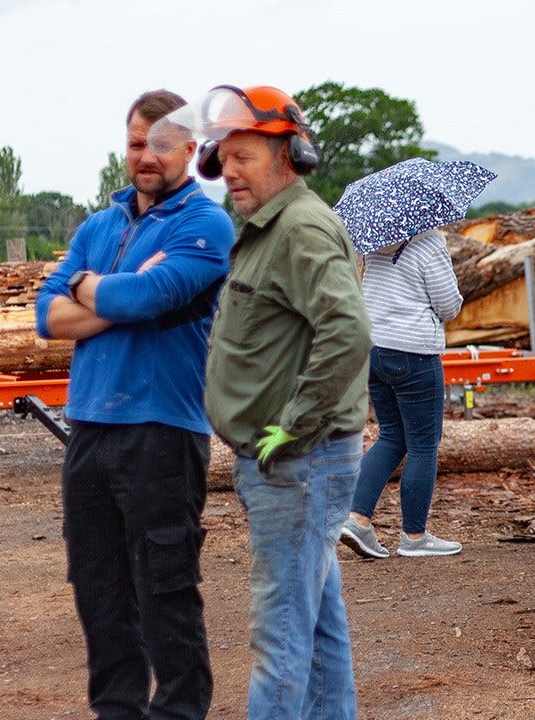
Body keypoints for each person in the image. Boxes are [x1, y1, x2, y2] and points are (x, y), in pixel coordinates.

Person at [36, 89, 233, 720]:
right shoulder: (100, 225)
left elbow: (148, 300)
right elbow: (46, 316)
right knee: (98, 589)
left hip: (162, 430)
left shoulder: (205, 224)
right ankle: (116, 710)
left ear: (191, 149)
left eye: (161, 144)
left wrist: (88, 287)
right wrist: (115, 298)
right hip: (89, 428)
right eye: (135, 142)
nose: (146, 156)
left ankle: (179, 711)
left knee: (165, 588)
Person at [197, 85, 372, 720]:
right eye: (225, 156)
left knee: (281, 636)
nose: (230, 170)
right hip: (293, 462)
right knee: (317, 626)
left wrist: (292, 427)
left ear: (288, 152)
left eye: (244, 155)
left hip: (299, 463)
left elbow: (347, 329)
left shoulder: (299, 226)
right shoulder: (270, 228)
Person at [341, 229, 465, 559]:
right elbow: (448, 304)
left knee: (392, 437)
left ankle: (357, 518)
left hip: (375, 347)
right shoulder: (429, 241)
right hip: (413, 351)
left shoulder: (374, 241)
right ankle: (414, 535)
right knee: (424, 443)